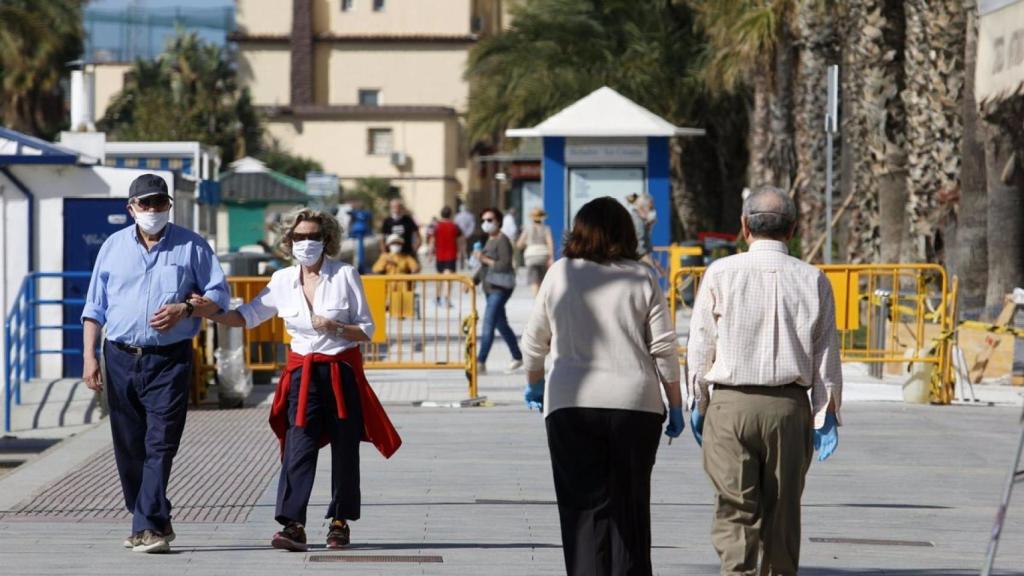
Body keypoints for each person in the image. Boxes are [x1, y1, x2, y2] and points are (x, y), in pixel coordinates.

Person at [190, 208, 401, 552]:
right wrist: (209, 312)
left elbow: (367, 330)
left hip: (340, 370)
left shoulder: (345, 275)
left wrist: (334, 327)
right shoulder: (282, 280)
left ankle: (340, 521)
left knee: (345, 450)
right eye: (299, 237)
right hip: (303, 373)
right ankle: (293, 524)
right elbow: (247, 316)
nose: (306, 243)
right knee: (297, 447)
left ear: (326, 239)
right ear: (288, 242)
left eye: (313, 236)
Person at [520, 196, 683, 576]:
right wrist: (675, 404)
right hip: (636, 405)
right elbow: (663, 349)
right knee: (631, 508)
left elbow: (533, 344)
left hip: (570, 404)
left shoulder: (560, 273)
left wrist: (534, 383)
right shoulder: (641, 276)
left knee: (582, 511)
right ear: (626, 233)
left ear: (577, 231)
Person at [687, 186, 842, 575]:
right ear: (792, 230)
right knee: (783, 510)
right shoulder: (813, 279)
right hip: (789, 409)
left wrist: (699, 400)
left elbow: (700, 343)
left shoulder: (721, 273)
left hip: (731, 405)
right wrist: (826, 413)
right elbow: (825, 353)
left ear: (744, 227)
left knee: (735, 506)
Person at [80, 174, 230, 554]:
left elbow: (218, 296)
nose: (152, 210)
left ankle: (146, 526)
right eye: (144, 204)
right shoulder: (112, 248)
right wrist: (89, 357)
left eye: (159, 203)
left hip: (170, 361)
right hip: (118, 358)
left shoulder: (193, 247)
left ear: (169, 206)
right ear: (130, 208)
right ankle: (151, 520)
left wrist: (187, 307)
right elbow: (94, 307)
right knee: (129, 448)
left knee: (161, 444)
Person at [474, 207, 523, 374]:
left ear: (498, 222)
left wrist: (483, 258)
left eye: (489, 220)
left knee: (488, 323)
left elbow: (504, 265)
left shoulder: (502, 240)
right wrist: (472, 281)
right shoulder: (489, 239)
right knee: (501, 324)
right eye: (483, 220)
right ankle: (517, 356)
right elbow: (484, 267)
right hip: (489, 287)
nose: (486, 223)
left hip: (500, 288)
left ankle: (480, 361)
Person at [516, 207, 554, 296]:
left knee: (534, 280)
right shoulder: (546, 229)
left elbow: (519, 244)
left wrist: (526, 244)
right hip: (543, 256)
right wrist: (551, 257)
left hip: (531, 256)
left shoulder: (527, 229)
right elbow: (550, 243)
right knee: (542, 279)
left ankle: (536, 300)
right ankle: (541, 298)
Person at [431, 206, 461, 274]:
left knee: (440, 277)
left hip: (439, 256)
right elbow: (459, 241)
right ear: (450, 214)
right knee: (447, 279)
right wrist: (460, 252)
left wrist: (430, 254)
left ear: (441, 214)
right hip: (451, 255)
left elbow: (432, 241)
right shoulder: (455, 226)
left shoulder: (436, 226)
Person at [454, 202, 476, 269]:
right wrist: (468, 234)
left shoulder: (457, 216)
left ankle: (462, 264)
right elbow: (472, 226)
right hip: (468, 235)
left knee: (461, 250)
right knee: (469, 250)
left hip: (460, 236)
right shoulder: (470, 216)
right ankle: (469, 264)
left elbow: (455, 226)